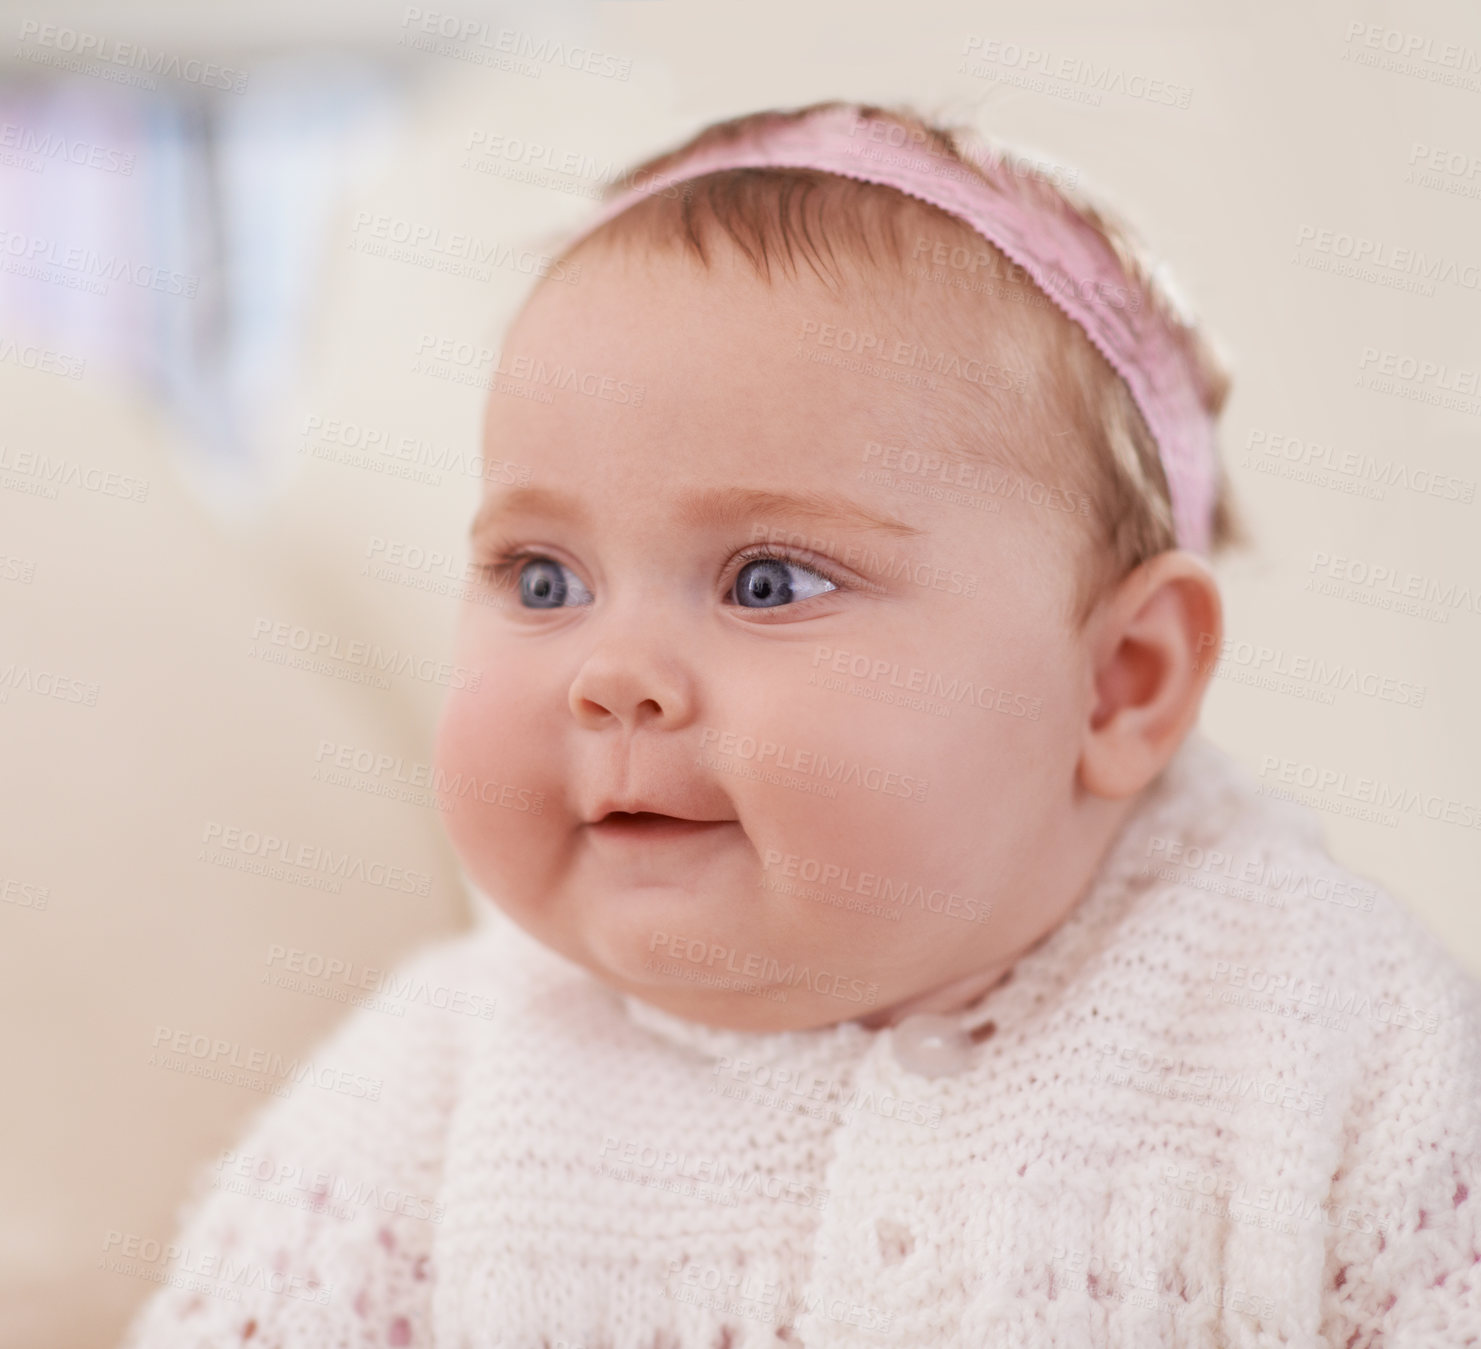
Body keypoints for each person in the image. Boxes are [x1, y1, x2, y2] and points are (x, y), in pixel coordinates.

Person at [118, 99, 1481, 1348]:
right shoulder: (440, 1080)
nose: (610, 675)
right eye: (544, 580)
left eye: (765, 581)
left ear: (1118, 682)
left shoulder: (1323, 1028)